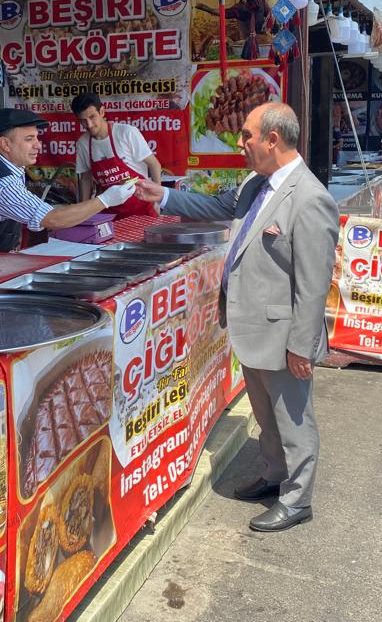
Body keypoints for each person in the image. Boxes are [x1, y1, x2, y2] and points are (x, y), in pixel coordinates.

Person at [134, 102, 338, 532]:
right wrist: (165, 195)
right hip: (251, 328)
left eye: (247, 135)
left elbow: (314, 284)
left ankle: (298, 499)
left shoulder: (310, 198)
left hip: (284, 335)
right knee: (266, 415)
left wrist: (301, 345)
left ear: (273, 140)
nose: (240, 143)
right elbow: (217, 206)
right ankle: (274, 473)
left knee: (293, 420)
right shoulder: (255, 182)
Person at [0, 107, 136, 266]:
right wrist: (107, 199)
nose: (38, 145)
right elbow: (53, 219)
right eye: (29, 139)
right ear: (5, 144)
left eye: (37, 138)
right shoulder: (3, 184)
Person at [72, 93, 161, 217]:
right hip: (109, 213)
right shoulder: (83, 143)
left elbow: (154, 164)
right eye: (83, 121)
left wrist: (157, 200)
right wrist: (84, 212)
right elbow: (86, 178)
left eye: (92, 117)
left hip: (141, 208)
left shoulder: (126, 133)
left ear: (102, 111)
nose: (89, 124)